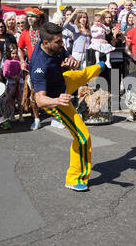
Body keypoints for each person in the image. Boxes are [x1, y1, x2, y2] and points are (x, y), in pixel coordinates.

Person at [30, 22, 106, 191]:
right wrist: (58, 101)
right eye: (58, 42)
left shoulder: (53, 44)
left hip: (63, 82)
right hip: (55, 100)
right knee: (83, 137)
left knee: (81, 74)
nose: (62, 44)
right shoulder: (39, 66)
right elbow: (40, 100)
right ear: (45, 43)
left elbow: (71, 60)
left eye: (61, 40)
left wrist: (71, 60)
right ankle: (74, 178)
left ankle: (98, 67)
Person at [18, 7, 44, 131]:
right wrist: (22, 61)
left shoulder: (44, 32)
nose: (30, 18)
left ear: (38, 18)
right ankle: (37, 119)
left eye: (32, 16)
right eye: (28, 16)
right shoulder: (25, 33)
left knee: (52, 91)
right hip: (32, 67)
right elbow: (20, 48)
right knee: (33, 94)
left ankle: (57, 117)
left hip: (47, 65)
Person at [2, 43, 24, 122]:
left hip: (19, 83)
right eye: (13, 53)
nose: (15, 55)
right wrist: (13, 77)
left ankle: (21, 116)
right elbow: (5, 73)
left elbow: (21, 72)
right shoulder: (7, 62)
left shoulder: (19, 61)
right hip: (11, 83)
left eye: (16, 53)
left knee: (20, 99)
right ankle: (12, 115)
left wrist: (19, 76)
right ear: (9, 53)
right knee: (11, 100)